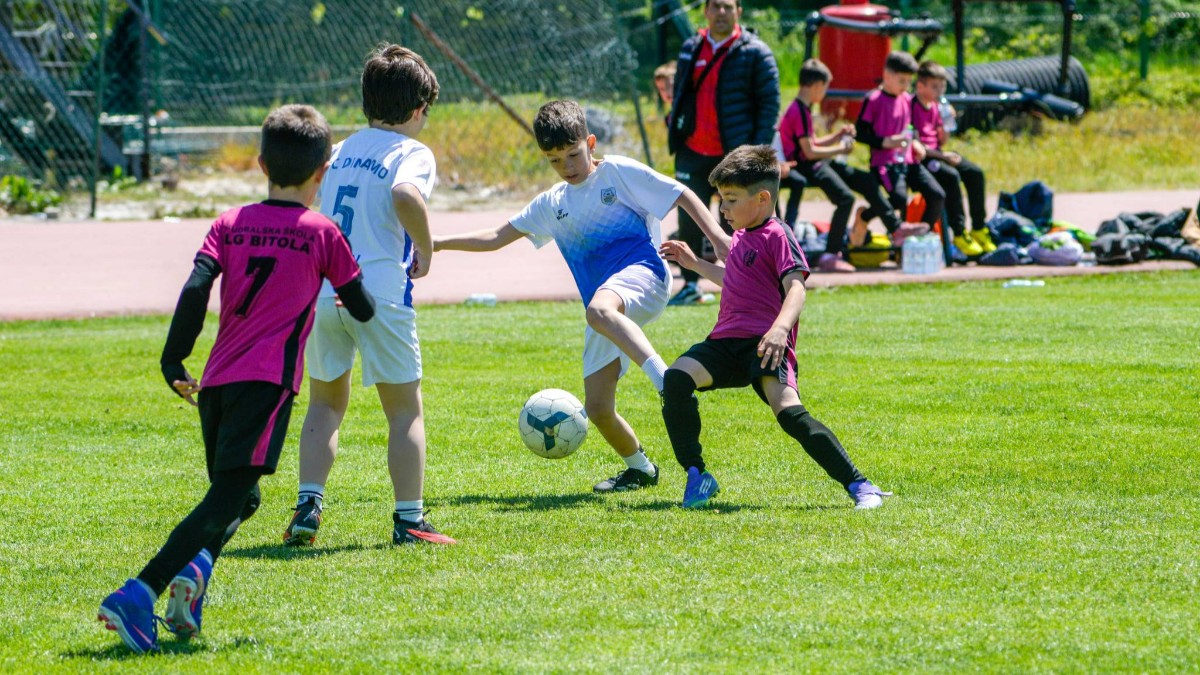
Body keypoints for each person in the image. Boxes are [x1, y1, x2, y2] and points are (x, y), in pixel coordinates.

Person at [97, 105, 375, 653]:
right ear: (323, 170)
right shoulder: (322, 232)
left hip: (217, 382)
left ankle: (190, 580)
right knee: (227, 497)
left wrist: (174, 359)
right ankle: (139, 592)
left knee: (240, 496)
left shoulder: (230, 222)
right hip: (267, 382)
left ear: (261, 163)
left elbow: (196, 288)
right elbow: (362, 308)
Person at [434, 100, 728, 493]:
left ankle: (666, 381)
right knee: (598, 407)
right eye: (555, 160)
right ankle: (641, 468)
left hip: (645, 276)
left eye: (573, 155)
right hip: (605, 310)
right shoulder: (552, 203)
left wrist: (719, 238)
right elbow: (495, 237)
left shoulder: (617, 172)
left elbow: (681, 193)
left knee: (598, 309)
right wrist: (436, 243)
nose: (567, 167)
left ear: (590, 143)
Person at [283, 45, 455, 549]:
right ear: (420, 108)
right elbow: (405, 195)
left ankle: (308, 506)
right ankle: (410, 521)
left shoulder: (340, 150)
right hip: (377, 291)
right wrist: (425, 249)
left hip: (321, 291)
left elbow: (310, 199)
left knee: (324, 405)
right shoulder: (411, 152)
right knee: (404, 411)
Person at [658, 145, 888, 510]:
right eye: (721, 200)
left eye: (731, 200)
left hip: (765, 344)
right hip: (724, 341)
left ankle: (861, 485)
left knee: (790, 416)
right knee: (676, 378)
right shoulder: (744, 236)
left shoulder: (777, 235)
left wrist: (780, 329)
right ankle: (698, 476)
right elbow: (736, 278)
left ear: (762, 199)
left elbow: (796, 287)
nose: (723, 209)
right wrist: (695, 264)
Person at [667, 0, 779, 305]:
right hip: (692, 151)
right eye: (715, 6)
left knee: (743, 221)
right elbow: (679, 95)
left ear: (739, 12)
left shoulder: (756, 52)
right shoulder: (691, 47)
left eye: (728, 7)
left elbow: (769, 106)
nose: (721, 12)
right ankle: (691, 286)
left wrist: (757, 155)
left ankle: (754, 284)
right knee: (690, 217)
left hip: (735, 156)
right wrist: (675, 131)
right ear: (705, 11)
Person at [777, 58, 900, 273]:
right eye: (825, 87)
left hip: (815, 162)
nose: (825, 92)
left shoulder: (803, 108)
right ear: (816, 86)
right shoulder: (798, 111)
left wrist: (838, 135)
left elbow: (811, 143)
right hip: (806, 167)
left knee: (865, 180)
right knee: (845, 198)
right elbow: (808, 152)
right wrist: (840, 150)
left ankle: (896, 229)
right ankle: (831, 254)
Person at [850, 51, 943, 249]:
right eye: (902, 81)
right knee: (899, 199)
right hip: (885, 163)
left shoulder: (907, 99)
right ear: (887, 75)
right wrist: (885, 142)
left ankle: (922, 238)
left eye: (909, 81)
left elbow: (910, 127)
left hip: (908, 160)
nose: (905, 86)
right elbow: (860, 133)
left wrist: (916, 142)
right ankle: (870, 220)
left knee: (937, 195)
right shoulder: (873, 99)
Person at [913, 60, 995, 256]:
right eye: (934, 87)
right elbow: (917, 147)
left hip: (939, 153)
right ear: (920, 86)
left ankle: (978, 227)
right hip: (922, 159)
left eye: (942, 86)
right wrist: (944, 156)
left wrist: (947, 124)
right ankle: (959, 232)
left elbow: (942, 140)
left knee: (974, 173)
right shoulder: (911, 107)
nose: (939, 91)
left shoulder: (937, 106)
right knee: (950, 176)